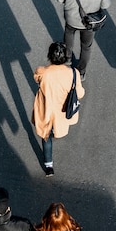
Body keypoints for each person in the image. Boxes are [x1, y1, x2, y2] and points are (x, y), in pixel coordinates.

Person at [31, 42, 85, 177]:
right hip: (62, 110)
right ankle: (56, 130)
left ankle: (48, 165)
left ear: (50, 56)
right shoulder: (73, 73)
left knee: (46, 135)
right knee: (57, 128)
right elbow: (80, 93)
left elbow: (36, 78)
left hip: (46, 110)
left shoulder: (42, 72)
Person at [55, 0, 111, 82]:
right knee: (86, 47)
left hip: (71, 20)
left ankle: (67, 60)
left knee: (69, 35)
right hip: (89, 23)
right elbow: (106, 5)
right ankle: (81, 72)